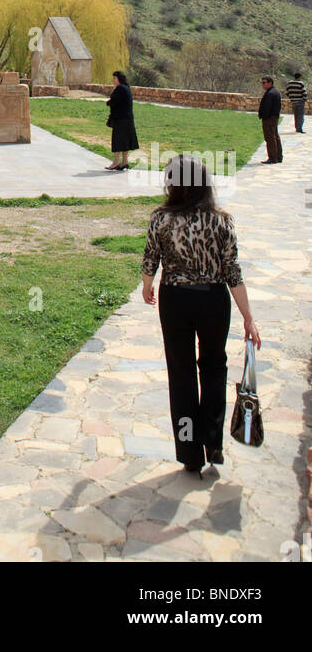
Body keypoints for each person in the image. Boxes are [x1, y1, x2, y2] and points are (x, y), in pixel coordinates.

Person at [141, 154, 261, 475]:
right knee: (213, 368)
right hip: (213, 301)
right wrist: (248, 317)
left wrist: (147, 286)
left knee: (180, 375)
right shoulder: (221, 220)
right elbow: (232, 271)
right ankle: (213, 441)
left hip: (175, 301)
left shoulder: (161, 219)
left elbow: (151, 258)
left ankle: (189, 451)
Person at [105, 70, 139, 171]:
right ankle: (124, 162)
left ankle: (115, 163)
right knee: (125, 142)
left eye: (114, 78)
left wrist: (109, 101)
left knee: (118, 141)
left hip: (120, 120)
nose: (113, 80)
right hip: (127, 119)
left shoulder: (120, 89)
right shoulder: (126, 88)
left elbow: (113, 101)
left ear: (119, 79)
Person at [257, 76, 283, 163]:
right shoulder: (273, 92)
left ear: (270, 83)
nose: (262, 84)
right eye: (262, 83)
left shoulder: (270, 93)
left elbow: (267, 108)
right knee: (275, 137)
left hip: (269, 118)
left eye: (264, 82)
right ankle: (278, 157)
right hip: (273, 118)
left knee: (270, 138)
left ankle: (273, 158)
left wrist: (263, 116)